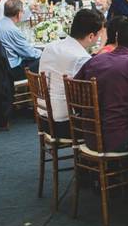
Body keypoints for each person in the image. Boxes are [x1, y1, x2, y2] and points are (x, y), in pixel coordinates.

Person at [74, 17, 128, 152]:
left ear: (117, 37)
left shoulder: (94, 61)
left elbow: (75, 90)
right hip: (120, 138)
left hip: (90, 137)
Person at [38, 8, 103, 139]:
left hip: (43, 118)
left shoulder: (51, 46)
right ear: (91, 36)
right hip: (64, 124)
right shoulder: (80, 58)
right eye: (99, 35)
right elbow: (87, 96)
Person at [0, 0, 43, 80]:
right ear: (18, 14)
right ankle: (38, 89)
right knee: (43, 59)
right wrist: (43, 52)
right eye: (22, 12)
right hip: (12, 70)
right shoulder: (12, 29)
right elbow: (30, 53)